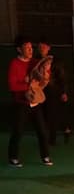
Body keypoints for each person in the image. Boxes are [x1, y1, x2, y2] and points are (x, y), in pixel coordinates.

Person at [7, 35, 53, 167]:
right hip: (21, 103)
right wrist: (26, 84)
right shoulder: (14, 64)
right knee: (18, 131)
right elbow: (12, 85)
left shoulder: (35, 62)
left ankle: (45, 156)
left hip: (35, 102)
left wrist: (46, 71)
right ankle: (13, 158)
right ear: (19, 49)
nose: (30, 50)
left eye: (31, 47)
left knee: (42, 131)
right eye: (26, 48)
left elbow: (42, 83)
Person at [37, 38, 72, 146]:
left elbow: (62, 77)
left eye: (43, 47)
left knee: (53, 114)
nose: (41, 49)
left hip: (54, 91)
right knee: (45, 115)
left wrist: (64, 92)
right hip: (41, 91)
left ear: (48, 48)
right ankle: (63, 130)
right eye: (40, 47)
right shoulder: (36, 60)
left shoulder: (56, 61)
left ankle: (54, 138)